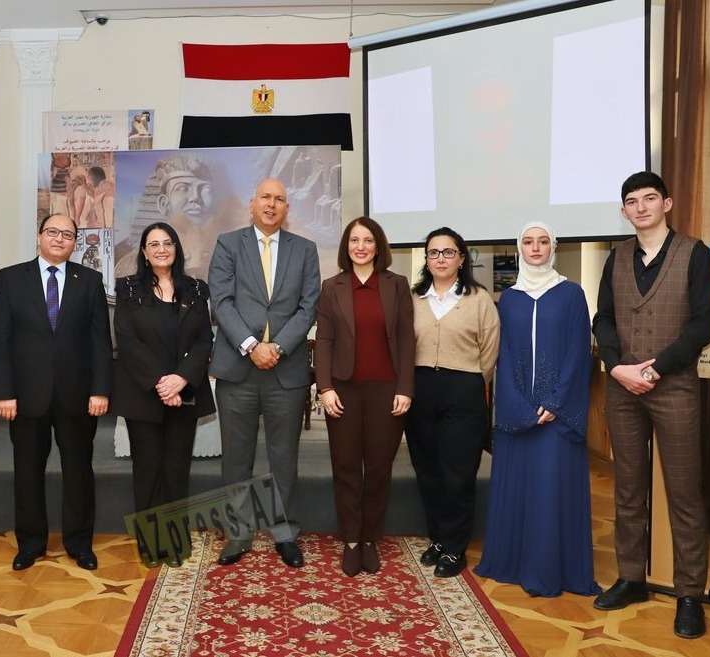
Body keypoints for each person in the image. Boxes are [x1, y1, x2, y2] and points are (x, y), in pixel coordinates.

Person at [591, 171, 710, 639]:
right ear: (623, 211)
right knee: (628, 488)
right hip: (623, 388)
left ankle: (689, 592)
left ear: (666, 204)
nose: (640, 207)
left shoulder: (695, 254)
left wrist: (655, 369)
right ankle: (631, 578)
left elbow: (704, 325)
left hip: (674, 387)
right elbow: (603, 318)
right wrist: (615, 365)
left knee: (684, 492)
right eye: (631, 201)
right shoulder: (616, 257)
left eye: (649, 198)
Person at [473, 222, 600, 597]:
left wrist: (555, 403)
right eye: (528, 242)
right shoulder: (509, 298)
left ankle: (547, 571)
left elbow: (580, 352)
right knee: (521, 490)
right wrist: (518, 405)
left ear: (553, 247)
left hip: (557, 416)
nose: (536, 248)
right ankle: (512, 564)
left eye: (543, 242)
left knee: (550, 491)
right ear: (519, 248)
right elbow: (504, 355)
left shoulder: (572, 294)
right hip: (519, 414)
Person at [0, 214, 113, 572]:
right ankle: (30, 544)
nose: (60, 239)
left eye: (68, 235)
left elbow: (100, 343)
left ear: (75, 242)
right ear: (39, 236)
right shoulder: (11, 278)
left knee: (79, 472)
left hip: (77, 397)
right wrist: (4, 393)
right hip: (26, 398)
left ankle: (79, 544)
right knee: (27, 472)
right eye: (53, 232)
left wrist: (101, 389)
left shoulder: (90, 281)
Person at [208, 178, 320, 568]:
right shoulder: (228, 244)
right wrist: (252, 347)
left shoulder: (304, 250)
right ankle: (237, 534)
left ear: (288, 208)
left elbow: (308, 306)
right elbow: (220, 301)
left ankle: (284, 533)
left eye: (280, 200)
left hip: (285, 371)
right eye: (265, 198)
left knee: (283, 458)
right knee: (236, 459)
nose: (272, 204)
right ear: (251, 204)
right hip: (238, 369)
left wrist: (278, 348)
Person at [315, 217, 414, 577]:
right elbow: (323, 340)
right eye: (354, 240)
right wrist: (324, 387)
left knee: (377, 468)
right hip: (343, 390)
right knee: (344, 467)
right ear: (346, 246)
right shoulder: (331, 287)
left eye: (367, 240)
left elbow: (406, 339)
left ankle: (370, 538)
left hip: (387, 391)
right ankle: (351, 541)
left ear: (378, 246)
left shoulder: (396, 285)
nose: (360, 246)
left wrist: (406, 388)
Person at [406, 227, 499, 578]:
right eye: (433, 253)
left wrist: (469, 381)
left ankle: (456, 547)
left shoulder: (479, 299)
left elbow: (489, 354)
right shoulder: (412, 299)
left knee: (458, 475)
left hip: (464, 392)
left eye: (448, 252)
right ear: (426, 260)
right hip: (420, 392)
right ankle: (439, 540)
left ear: (461, 258)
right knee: (428, 472)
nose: (440, 259)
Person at [112, 222, 215, 523]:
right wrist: (161, 383)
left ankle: (175, 537)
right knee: (147, 469)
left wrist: (181, 379)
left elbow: (204, 339)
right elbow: (127, 340)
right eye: (154, 244)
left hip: (185, 392)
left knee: (176, 469)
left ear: (176, 249)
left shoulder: (196, 289)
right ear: (144, 253)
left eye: (167, 243)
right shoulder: (128, 289)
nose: (161, 249)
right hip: (143, 394)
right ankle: (151, 540)